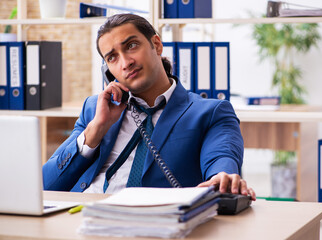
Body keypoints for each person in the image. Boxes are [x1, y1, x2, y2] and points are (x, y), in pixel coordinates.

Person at [43, 13, 255, 200]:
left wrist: (223, 176)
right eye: (112, 57)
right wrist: (97, 128)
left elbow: (221, 157)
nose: (125, 63)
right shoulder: (95, 109)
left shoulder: (210, 112)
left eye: (131, 46)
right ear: (108, 72)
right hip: (83, 216)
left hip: (154, 224)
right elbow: (46, 185)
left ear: (156, 45)